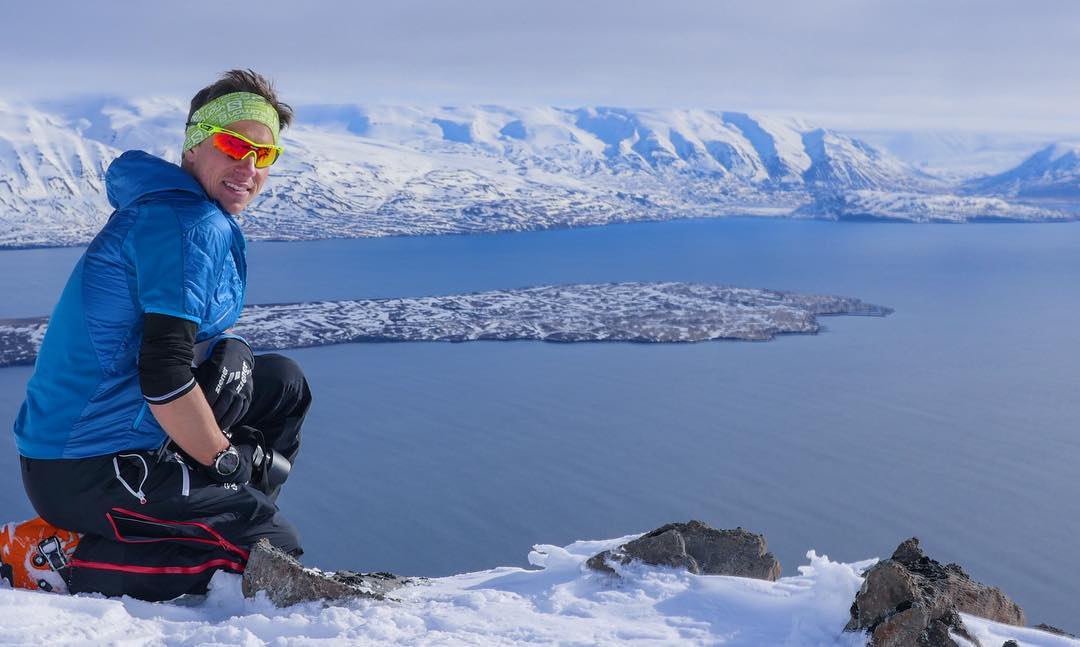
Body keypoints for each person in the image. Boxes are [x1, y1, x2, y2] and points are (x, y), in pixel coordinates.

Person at [1, 70, 312, 601]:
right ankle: (55, 558)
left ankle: (216, 515)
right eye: (235, 146)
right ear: (195, 146)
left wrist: (229, 355)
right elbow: (164, 375)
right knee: (267, 551)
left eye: (264, 155)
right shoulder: (187, 224)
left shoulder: (185, 210)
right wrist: (224, 460)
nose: (249, 167)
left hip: (120, 433)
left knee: (280, 383)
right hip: (85, 467)